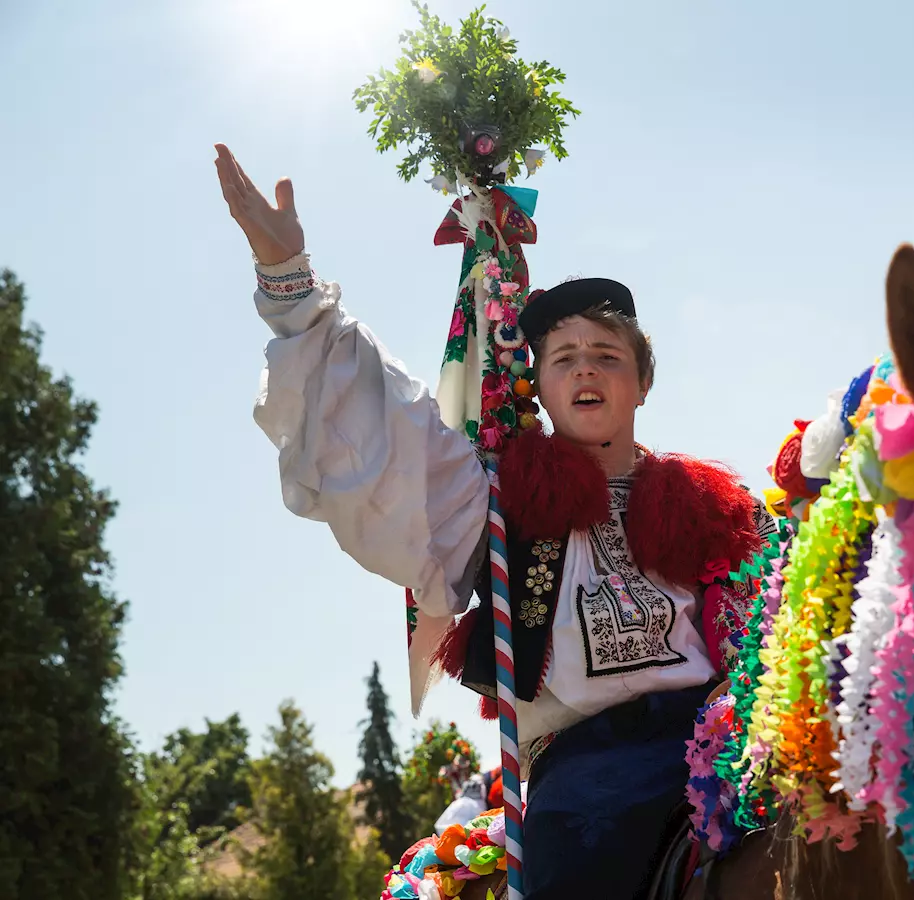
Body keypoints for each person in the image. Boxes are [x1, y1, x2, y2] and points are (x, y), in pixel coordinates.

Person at [214, 145, 774, 899]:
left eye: (607, 356)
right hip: (590, 774)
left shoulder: (719, 509)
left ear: (642, 381)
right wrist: (290, 281)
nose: (585, 370)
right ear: (538, 387)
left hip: (725, 746)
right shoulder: (500, 502)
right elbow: (388, 424)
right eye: (564, 357)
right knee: (576, 850)